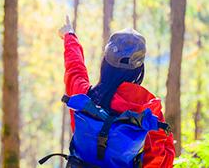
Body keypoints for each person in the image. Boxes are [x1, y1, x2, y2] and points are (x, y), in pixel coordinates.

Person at [58, 16, 175, 168]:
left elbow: (75, 69)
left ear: (105, 62)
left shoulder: (86, 95)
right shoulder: (148, 107)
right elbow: (160, 156)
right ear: (139, 69)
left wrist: (69, 35)